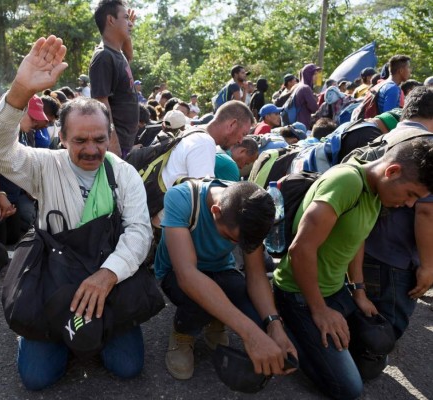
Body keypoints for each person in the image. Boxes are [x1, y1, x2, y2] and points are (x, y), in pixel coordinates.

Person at [0, 35, 152, 391]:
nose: (91, 149)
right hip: (54, 276)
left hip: (109, 277)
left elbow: (139, 231)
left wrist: (108, 275)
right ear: (62, 137)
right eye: (80, 141)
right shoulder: (44, 166)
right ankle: (57, 330)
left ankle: (85, 328)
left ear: (109, 135)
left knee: (128, 366)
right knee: (37, 377)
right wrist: (20, 91)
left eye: (99, 140)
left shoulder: (123, 172)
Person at [272, 134, 433, 399]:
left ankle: (311, 336)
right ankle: (284, 325)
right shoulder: (346, 181)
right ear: (392, 171)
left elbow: (357, 239)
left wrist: (358, 291)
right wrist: (319, 310)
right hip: (299, 292)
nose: (410, 204)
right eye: (411, 194)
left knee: (375, 350)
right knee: (348, 388)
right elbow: (301, 250)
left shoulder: (375, 191)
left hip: (335, 290)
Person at [155, 178, 297, 380]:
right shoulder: (182, 198)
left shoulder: (251, 206)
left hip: (221, 269)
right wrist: (250, 334)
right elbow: (187, 275)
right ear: (215, 211)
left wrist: (274, 325)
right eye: (231, 239)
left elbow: (256, 276)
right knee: (197, 301)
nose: (236, 244)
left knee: (258, 317)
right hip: (177, 272)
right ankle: (183, 333)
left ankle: (216, 318)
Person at [362, 86, 433, 340]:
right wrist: (428, 266)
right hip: (396, 258)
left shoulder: (385, 136)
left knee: (367, 316)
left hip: (365, 246)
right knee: (384, 333)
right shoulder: (427, 147)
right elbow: (426, 213)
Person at [161, 101, 254, 190]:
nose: (241, 141)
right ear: (232, 125)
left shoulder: (193, 131)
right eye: (243, 134)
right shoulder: (204, 143)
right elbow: (200, 195)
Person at [89, 0, 138, 158]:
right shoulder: (104, 57)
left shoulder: (117, 54)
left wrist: (127, 32)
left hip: (125, 142)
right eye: (125, 18)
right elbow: (101, 104)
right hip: (116, 146)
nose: (130, 22)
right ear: (110, 20)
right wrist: (113, 145)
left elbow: (130, 56)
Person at [293, 63, 321, 129]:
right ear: (308, 75)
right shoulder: (306, 88)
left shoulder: (298, 86)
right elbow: (314, 108)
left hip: (296, 124)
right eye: (314, 74)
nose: (317, 76)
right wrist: (316, 100)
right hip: (302, 126)